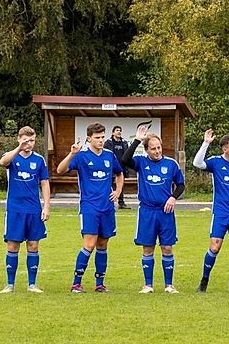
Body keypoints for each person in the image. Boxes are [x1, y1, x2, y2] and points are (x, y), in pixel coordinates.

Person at [57, 122, 124, 293]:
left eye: (103, 137)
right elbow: (60, 170)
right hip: (89, 207)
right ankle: (76, 283)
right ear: (89, 138)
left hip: (107, 207)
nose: (101, 140)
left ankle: (100, 284)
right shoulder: (81, 155)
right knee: (90, 243)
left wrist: (117, 190)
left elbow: (119, 173)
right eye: (97, 138)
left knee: (103, 244)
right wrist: (71, 154)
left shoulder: (109, 155)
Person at [122, 125, 185, 293]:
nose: (157, 151)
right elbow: (124, 160)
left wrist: (173, 197)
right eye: (153, 148)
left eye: (159, 147)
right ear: (147, 150)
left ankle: (169, 285)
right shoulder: (141, 163)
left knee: (167, 248)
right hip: (147, 212)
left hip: (165, 213)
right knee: (148, 248)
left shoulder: (171, 164)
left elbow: (181, 185)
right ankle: (148, 285)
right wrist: (137, 140)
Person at [193, 129, 229, 292]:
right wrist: (205, 143)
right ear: (224, 149)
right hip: (220, 212)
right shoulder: (215, 162)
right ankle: (204, 281)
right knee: (215, 247)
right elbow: (197, 163)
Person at [0, 126, 51, 294]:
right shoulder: (12, 156)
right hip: (14, 209)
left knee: (33, 245)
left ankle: (32, 284)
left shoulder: (39, 160)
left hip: (33, 209)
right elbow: (3, 162)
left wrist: (46, 206)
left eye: (32, 140)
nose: (29, 144)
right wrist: (18, 148)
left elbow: (44, 183)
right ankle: (10, 284)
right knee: (13, 245)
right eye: (25, 140)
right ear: (19, 139)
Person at [104, 126, 130, 208]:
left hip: (121, 167)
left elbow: (127, 155)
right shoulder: (108, 143)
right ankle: (108, 202)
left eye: (120, 130)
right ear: (113, 133)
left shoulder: (124, 143)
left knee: (120, 186)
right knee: (109, 186)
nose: (119, 132)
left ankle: (121, 203)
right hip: (111, 167)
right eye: (117, 130)